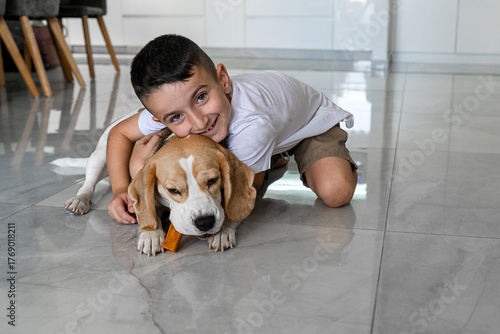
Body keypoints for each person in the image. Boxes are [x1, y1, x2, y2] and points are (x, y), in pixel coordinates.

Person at [107, 34, 358, 225]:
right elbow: (119, 134)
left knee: (336, 193)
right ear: (160, 119)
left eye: (201, 97)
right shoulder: (171, 102)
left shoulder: (253, 125)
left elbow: (242, 194)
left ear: (223, 80)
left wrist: (140, 169)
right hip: (270, 126)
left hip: (310, 124)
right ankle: (272, 156)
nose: (198, 122)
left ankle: (277, 156)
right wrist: (121, 190)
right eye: (176, 117)